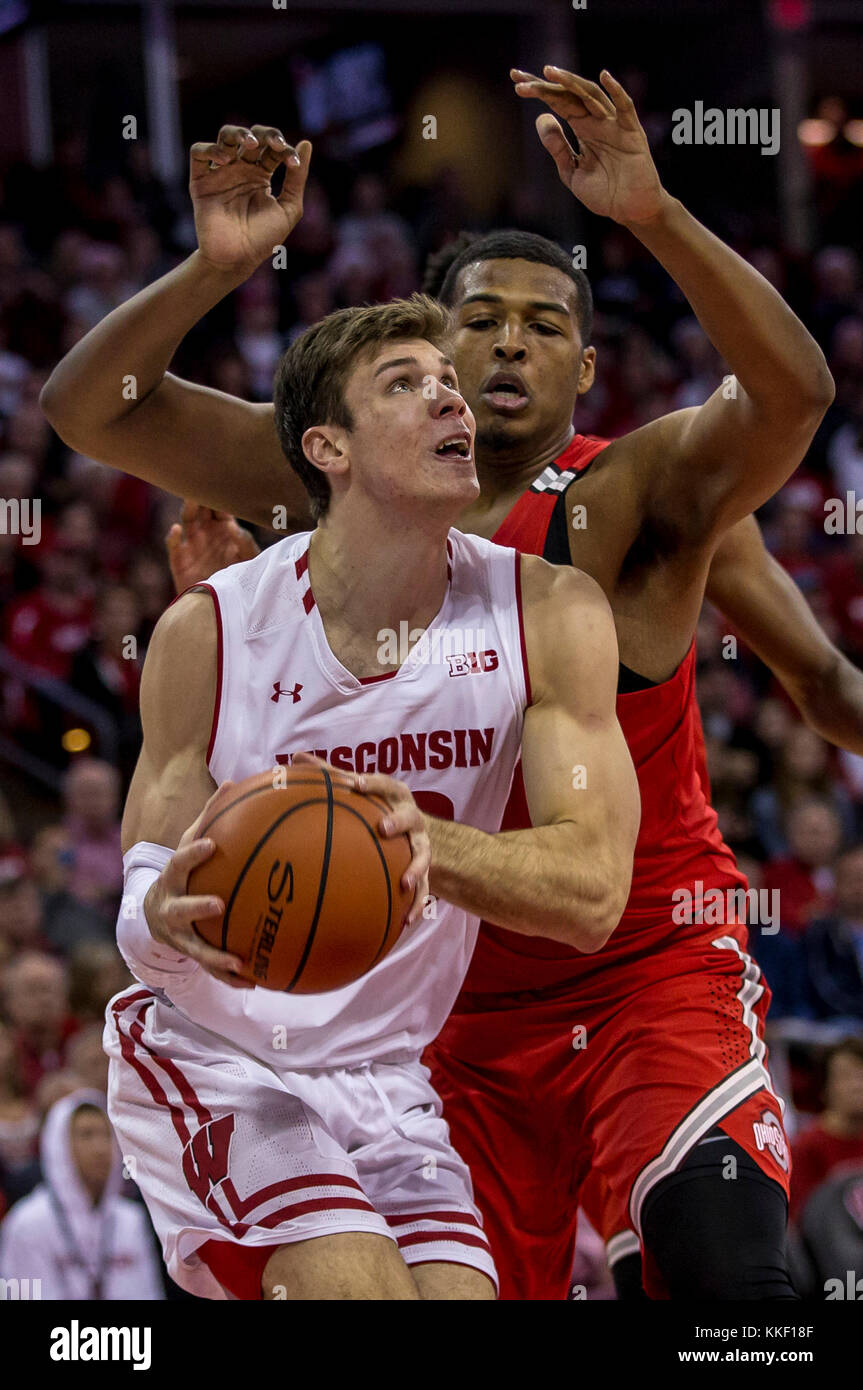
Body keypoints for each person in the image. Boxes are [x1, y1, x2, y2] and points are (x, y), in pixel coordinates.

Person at [40, 69, 845, 1300]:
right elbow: (93, 406)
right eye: (477, 320)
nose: (510, 340)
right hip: (429, 1007)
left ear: (587, 368)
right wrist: (211, 269)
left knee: (734, 1291)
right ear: (430, 343)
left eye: (546, 323)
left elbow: (792, 405)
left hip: (637, 962)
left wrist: (653, 215)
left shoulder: (630, 502)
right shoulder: (336, 476)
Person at [100, 283, 638, 1300]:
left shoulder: (545, 611)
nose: (453, 402)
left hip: (389, 1076)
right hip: (221, 1053)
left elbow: (591, 893)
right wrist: (167, 911)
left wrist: (420, 843)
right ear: (327, 450)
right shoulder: (210, 630)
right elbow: (142, 912)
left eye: (449, 381)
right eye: (406, 384)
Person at [0, 1089, 163, 1299]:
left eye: (106, 1135)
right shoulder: (27, 1222)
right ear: (58, 1144)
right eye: (86, 1135)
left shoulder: (131, 1220)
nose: (100, 1148)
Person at [790, 1038, 863, 1222]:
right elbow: (802, 1222)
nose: (857, 1086)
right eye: (846, 1076)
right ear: (824, 1088)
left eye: (861, 1076)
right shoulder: (806, 1148)